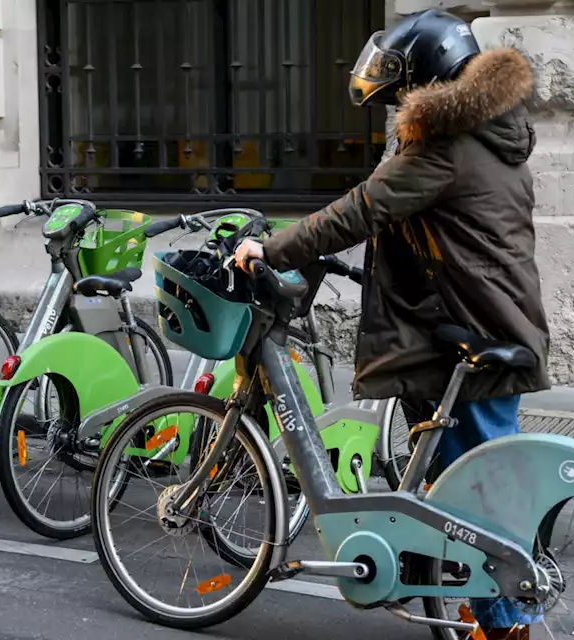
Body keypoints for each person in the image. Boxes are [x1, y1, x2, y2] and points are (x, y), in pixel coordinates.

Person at [233, 9, 549, 638]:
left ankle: (507, 617)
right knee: (470, 477)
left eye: (403, 91)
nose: (400, 103)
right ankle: (484, 601)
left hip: (474, 320)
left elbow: (364, 208)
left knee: (481, 488)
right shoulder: (489, 131)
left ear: (428, 77)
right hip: (481, 315)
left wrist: (274, 247)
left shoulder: (449, 143)